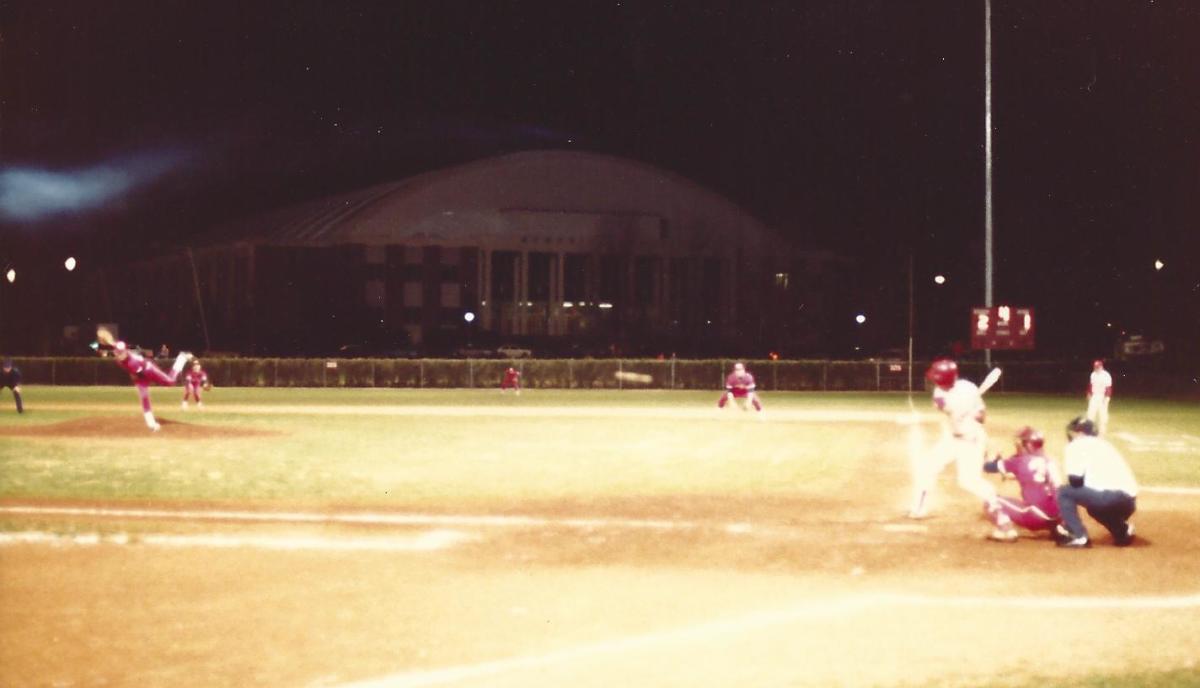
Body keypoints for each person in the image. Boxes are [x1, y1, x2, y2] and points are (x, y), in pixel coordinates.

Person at [908, 358, 1016, 541]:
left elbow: (982, 417)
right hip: (951, 439)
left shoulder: (968, 388)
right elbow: (947, 408)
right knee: (927, 466)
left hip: (971, 441)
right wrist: (963, 409)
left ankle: (1000, 514)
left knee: (969, 481)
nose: (934, 381)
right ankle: (919, 508)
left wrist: (974, 414)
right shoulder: (940, 395)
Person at [1055, 416, 1138, 548]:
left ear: (1080, 433)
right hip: (1129, 502)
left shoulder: (1076, 445)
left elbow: (1075, 480)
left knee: (1065, 492)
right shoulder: (1106, 444)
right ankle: (1122, 531)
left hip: (1108, 499)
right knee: (1095, 508)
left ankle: (1078, 536)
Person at [96, 327, 191, 431]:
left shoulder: (132, 363)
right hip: (139, 375)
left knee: (171, 382)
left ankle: (181, 358)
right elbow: (117, 345)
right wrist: (108, 341)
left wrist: (142, 378)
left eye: (122, 353)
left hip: (148, 369)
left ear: (125, 351)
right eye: (119, 353)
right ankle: (151, 424)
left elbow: (138, 374)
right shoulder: (119, 351)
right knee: (144, 397)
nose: (121, 354)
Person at [983, 426, 1061, 539]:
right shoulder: (1050, 460)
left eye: (1021, 443)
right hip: (1059, 516)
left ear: (1028, 445)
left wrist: (989, 458)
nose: (1019, 446)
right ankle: (1057, 528)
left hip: (1035, 517)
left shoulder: (1019, 461)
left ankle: (1005, 530)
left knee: (990, 500)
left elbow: (988, 468)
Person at [1086, 359, 1113, 435]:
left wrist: (1107, 397)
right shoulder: (1093, 374)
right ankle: (1089, 428)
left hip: (1103, 396)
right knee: (1091, 412)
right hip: (1094, 396)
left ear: (1101, 367)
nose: (1096, 368)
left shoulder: (1106, 375)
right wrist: (1089, 393)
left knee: (1103, 413)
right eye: (1095, 367)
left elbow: (1108, 387)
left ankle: (1102, 429)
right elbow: (1091, 385)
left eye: (1097, 367)